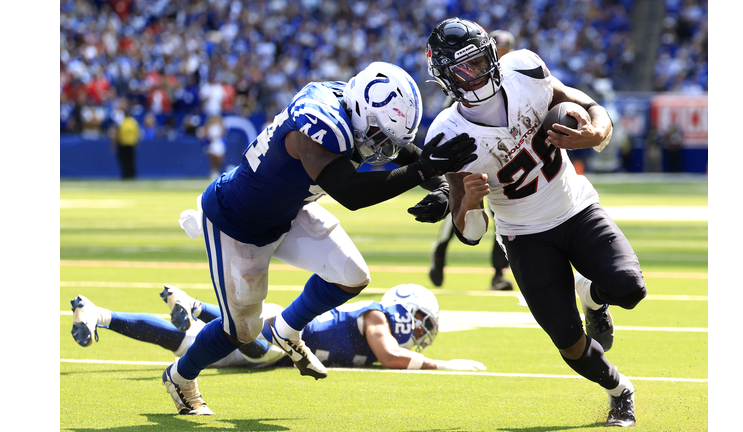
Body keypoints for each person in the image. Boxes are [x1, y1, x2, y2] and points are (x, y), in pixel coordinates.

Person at [163, 61, 477, 415]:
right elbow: (350, 192)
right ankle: (180, 377)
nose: (382, 147)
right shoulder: (319, 123)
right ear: (362, 112)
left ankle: (286, 329)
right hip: (238, 223)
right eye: (379, 135)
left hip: (288, 210)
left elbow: (404, 149)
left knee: (352, 275)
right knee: (242, 332)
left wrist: (439, 186)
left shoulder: (358, 109)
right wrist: (425, 170)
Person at [410, 18, 647, 427]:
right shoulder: (447, 133)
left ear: (492, 53)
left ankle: (592, 296)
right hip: (524, 236)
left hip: (576, 207)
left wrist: (596, 134)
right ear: (445, 78)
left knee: (630, 289)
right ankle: (619, 390)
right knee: (569, 342)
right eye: (462, 68)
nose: (475, 72)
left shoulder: (524, 70)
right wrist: (469, 202)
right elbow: (470, 233)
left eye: (478, 60)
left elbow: (589, 106)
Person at [69, 285, 485, 378]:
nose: (420, 332)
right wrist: (443, 365)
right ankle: (195, 307)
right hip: (279, 333)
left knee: (184, 343)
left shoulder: (377, 321)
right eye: (421, 321)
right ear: (405, 309)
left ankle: (98, 314)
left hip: (273, 346)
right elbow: (392, 356)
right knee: (256, 346)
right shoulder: (376, 316)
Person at [421, 29, 517, 292]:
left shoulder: (514, 82)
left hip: (505, 155)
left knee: (502, 214)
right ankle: (441, 249)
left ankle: (498, 273)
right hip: (472, 155)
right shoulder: (464, 87)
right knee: (464, 203)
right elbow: (448, 124)